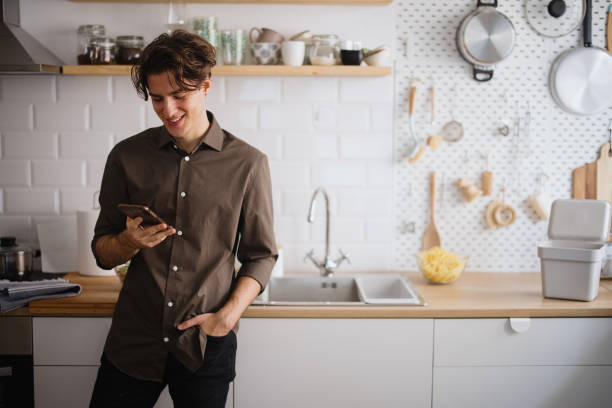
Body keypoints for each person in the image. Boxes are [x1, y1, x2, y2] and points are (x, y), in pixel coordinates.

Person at [89, 30, 277, 408]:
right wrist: (128, 243)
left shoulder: (248, 163)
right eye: (157, 99)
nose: (168, 110)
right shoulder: (126, 157)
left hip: (205, 345)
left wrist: (226, 318)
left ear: (206, 85)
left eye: (179, 96)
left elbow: (261, 255)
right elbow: (102, 251)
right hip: (133, 342)